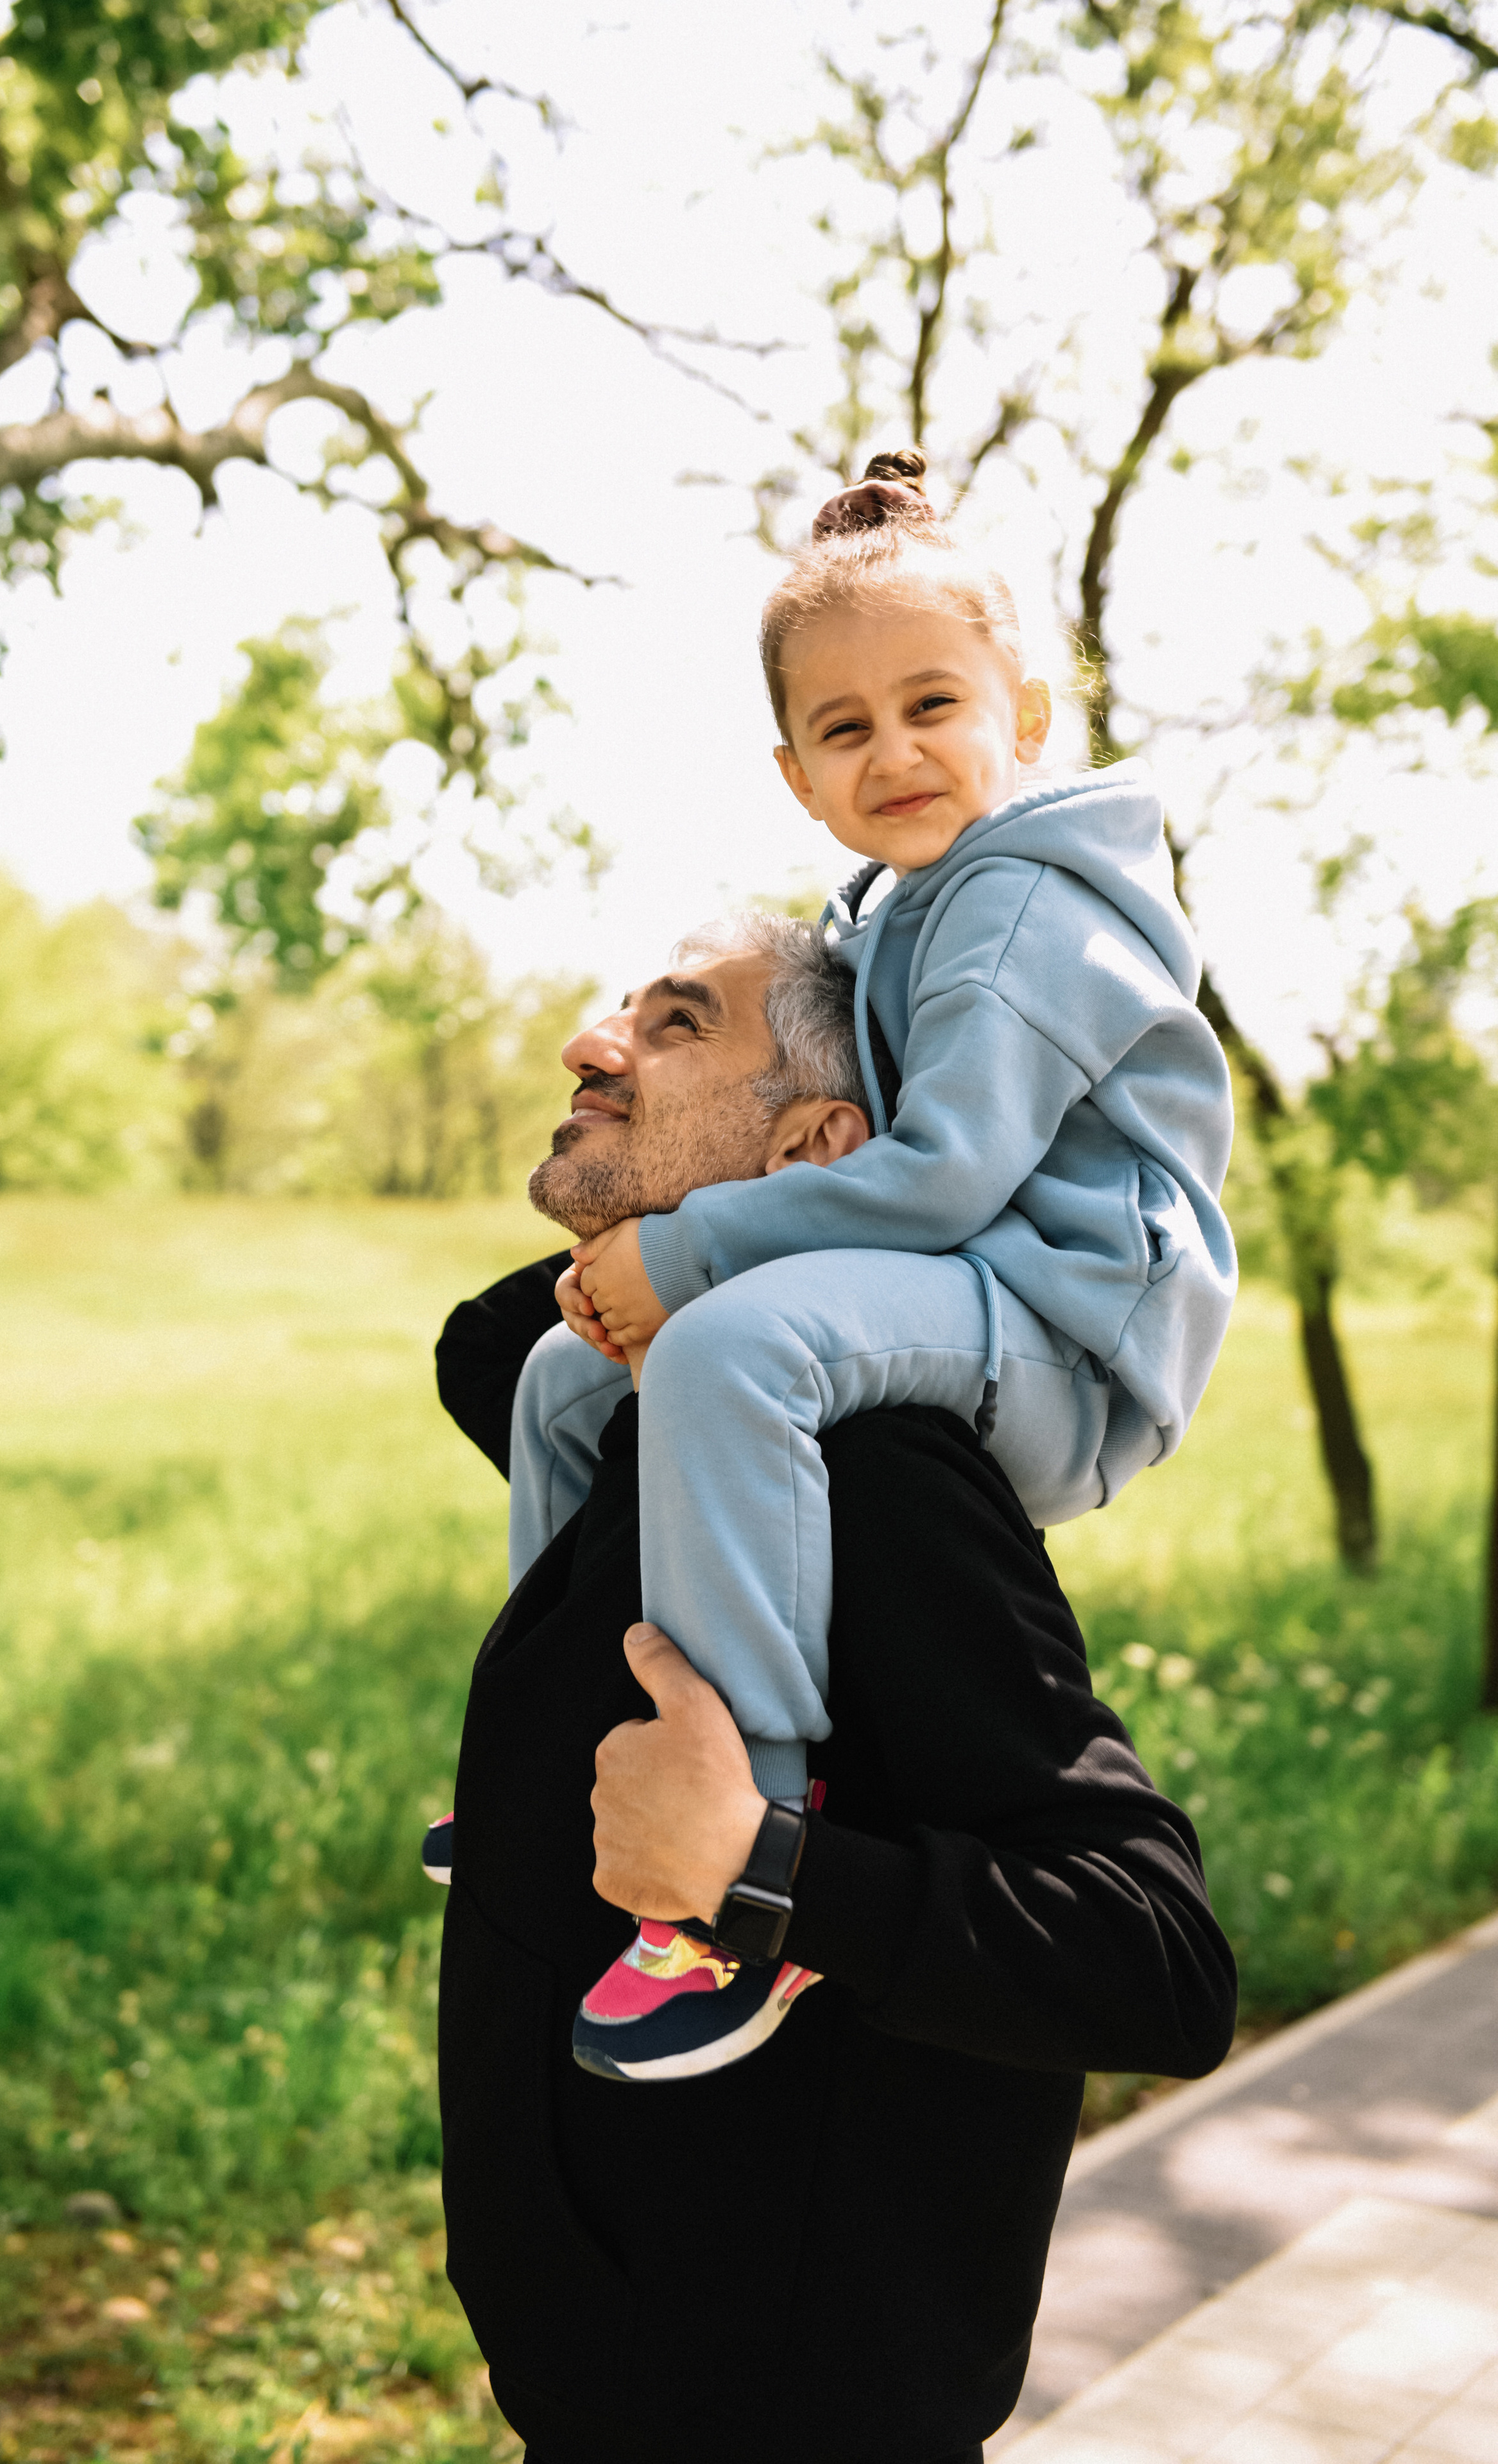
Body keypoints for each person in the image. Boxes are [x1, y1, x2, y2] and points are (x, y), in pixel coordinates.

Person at [432, 916, 1237, 2464]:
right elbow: (485, 1337)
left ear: (820, 1142)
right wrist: (715, 1231)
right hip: (597, 2400)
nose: (589, 1045)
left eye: (673, 1026)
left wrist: (762, 1875)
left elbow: (1156, 1962)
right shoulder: (629, 1424)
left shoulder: (868, 1478)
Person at [509, 449, 1238, 2079]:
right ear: (794, 774)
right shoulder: (905, 906)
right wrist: (635, 1265)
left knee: (719, 1350)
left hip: (1067, 1316)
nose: (891, 751)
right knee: (565, 1367)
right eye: (844, 729)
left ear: (1026, 719)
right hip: (970, 1280)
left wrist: (687, 1252)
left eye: (932, 705)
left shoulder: (1029, 907)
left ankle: (737, 1833)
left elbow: (945, 1173)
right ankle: (562, 1750)